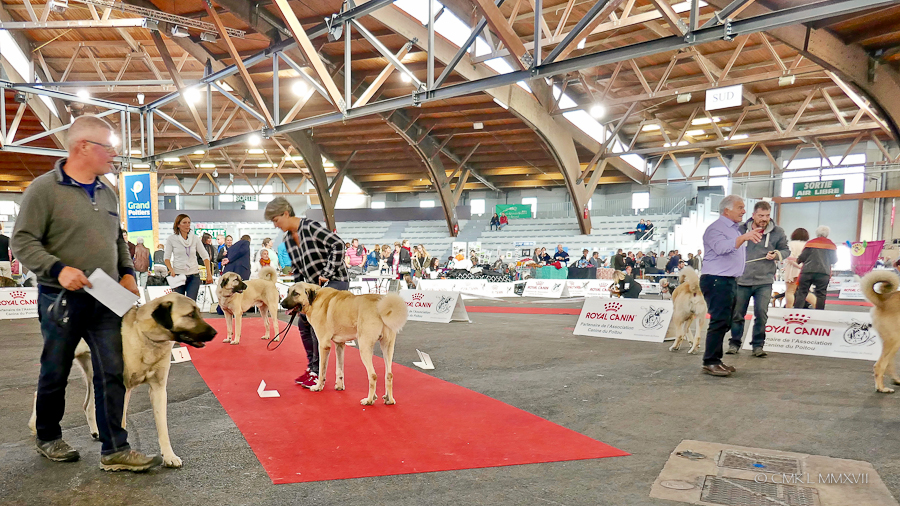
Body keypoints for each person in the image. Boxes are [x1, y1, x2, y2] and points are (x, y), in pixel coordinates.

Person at [11, 114, 162, 471]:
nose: (113, 154)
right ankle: (48, 436)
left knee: (112, 371)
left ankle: (115, 449)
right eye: (108, 147)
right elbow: (22, 241)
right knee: (56, 369)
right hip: (60, 299)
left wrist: (127, 272)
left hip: (106, 297)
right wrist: (58, 269)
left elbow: (117, 239)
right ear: (83, 147)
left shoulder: (107, 191)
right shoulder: (43, 190)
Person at [265, 197, 348, 389]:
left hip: (334, 281)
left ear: (286, 214)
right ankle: (312, 368)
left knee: (317, 325)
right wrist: (294, 300)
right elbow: (299, 272)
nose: (276, 225)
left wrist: (327, 273)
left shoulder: (310, 227)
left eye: (276, 220)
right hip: (312, 289)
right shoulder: (288, 240)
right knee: (303, 323)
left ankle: (318, 373)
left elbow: (338, 244)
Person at [699, 195, 763, 377]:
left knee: (725, 321)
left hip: (727, 280)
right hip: (716, 280)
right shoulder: (715, 229)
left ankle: (715, 359)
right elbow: (721, 248)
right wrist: (744, 237)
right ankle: (710, 361)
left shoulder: (734, 230)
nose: (744, 211)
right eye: (740, 207)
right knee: (720, 321)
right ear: (727, 210)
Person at [728, 201, 790, 358]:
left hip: (764, 281)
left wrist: (776, 254)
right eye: (761, 215)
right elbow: (729, 247)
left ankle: (758, 346)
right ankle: (734, 343)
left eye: (767, 215)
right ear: (753, 215)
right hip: (741, 280)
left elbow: (786, 250)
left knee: (761, 314)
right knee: (737, 314)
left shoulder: (777, 232)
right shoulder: (739, 229)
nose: (764, 219)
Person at [164, 214, 213, 300]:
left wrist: (209, 274)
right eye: (184, 223)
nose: (187, 225)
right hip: (178, 275)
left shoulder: (195, 238)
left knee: (191, 302)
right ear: (178, 225)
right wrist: (171, 269)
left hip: (194, 275)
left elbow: (205, 256)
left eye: (189, 223)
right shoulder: (171, 239)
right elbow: (166, 258)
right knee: (179, 303)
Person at [793, 226, 838, 310]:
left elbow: (802, 257)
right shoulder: (831, 245)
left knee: (802, 292)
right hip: (823, 272)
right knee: (821, 294)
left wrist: (798, 260)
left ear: (816, 233)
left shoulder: (811, 243)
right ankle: (819, 313)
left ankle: (797, 312)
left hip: (807, 271)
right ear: (827, 234)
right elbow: (834, 260)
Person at [784, 228, 809, 308]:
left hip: (792, 270)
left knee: (790, 291)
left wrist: (798, 266)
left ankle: (789, 309)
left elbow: (789, 257)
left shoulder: (790, 244)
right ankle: (816, 306)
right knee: (805, 292)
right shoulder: (807, 245)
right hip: (805, 269)